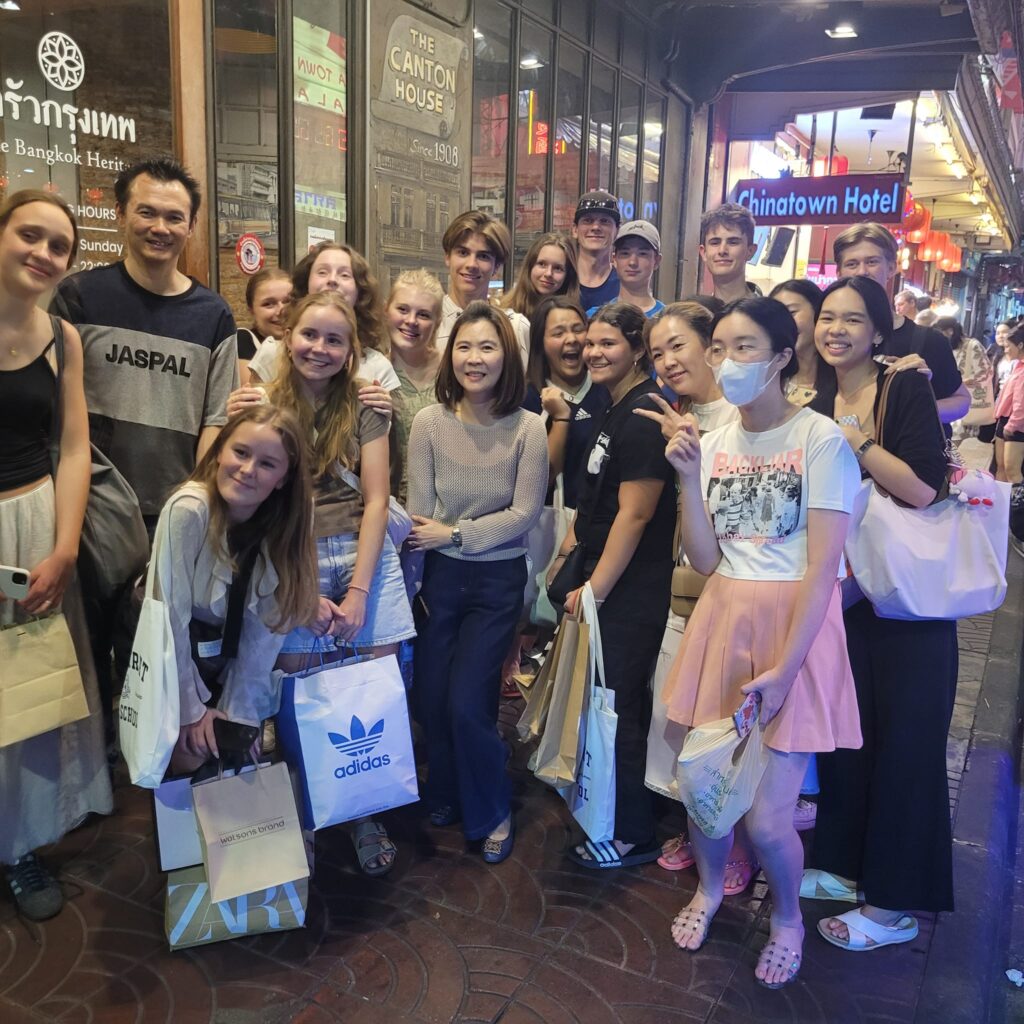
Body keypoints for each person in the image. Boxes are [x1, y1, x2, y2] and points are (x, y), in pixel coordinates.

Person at [660, 295, 861, 989]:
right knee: (707, 791)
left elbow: (823, 569)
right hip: (723, 615)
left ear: (781, 357)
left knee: (773, 820)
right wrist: (687, 476)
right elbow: (705, 560)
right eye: (718, 347)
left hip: (792, 630)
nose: (725, 361)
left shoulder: (820, 440)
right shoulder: (712, 441)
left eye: (744, 348)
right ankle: (712, 890)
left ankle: (785, 918)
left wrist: (785, 668)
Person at [805, 276, 955, 954]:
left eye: (852, 319)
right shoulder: (815, 395)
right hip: (848, 595)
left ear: (877, 331)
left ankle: (894, 903)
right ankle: (843, 866)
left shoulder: (904, 387)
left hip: (909, 605)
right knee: (847, 739)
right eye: (827, 317)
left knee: (906, 750)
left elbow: (924, 487)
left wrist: (856, 442)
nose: (836, 329)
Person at [269, 291, 417, 875]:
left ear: (352, 350)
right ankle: (306, 811)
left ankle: (360, 811)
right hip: (290, 558)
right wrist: (298, 590)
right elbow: (257, 508)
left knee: (372, 693)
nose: (320, 348)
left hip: (362, 553)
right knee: (299, 698)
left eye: (335, 339)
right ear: (287, 337)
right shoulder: (265, 405)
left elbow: (378, 498)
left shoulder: (364, 404)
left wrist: (357, 591)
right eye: (310, 335)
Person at [0, 190, 113, 920]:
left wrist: (66, 545)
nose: (42, 253)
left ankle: (20, 845)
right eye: (28, 235)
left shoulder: (63, 339)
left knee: (27, 701)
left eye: (59, 246)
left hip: (34, 528)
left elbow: (75, 447)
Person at [406, 302, 547, 864]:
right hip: (437, 577)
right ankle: (444, 789)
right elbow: (418, 513)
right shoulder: (428, 423)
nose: (474, 358)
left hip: (495, 581)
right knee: (433, 697)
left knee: (470, 703)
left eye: (487, 347)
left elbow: (525, 513)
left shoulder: (529, 427)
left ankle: (491, 809)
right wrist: (438, 543)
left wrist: (457, 534)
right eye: (464, 346)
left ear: (506, 356)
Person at [552, 302, 677, 871]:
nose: (593, 352)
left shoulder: (647, 412)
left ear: (636, 347)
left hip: (628, 587)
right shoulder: (614, 404)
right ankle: (611, 814)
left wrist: (596, 593)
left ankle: (634, 832)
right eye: (589, 342)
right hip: (607, 577)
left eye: (608, 343)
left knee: (620, 706)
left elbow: (635, 515)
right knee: (606, 702)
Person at [52, 157, 238, 527]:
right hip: (92, 507)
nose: (160, 228)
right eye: (146, 213)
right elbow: (54, 409)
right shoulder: (79, 297)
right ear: (120, 214)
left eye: (174, 217)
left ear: (192, 225)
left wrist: (196, 502)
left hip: (177, 511)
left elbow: (215, 421)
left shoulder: (214, 315)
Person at [152, 406, 318, 774]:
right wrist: (192, 712)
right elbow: (168, 621)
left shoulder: (291, 518)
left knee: (238, 747)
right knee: (192, 750)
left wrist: (238, 714)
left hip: (229, 657)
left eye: (267, 464)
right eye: (240, 453)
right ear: (220, 451)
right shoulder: (188, 509)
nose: (247, 470)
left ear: (283, 478)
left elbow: (268, 629)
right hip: (177, 657)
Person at [832, 222, 969, 428]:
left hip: (906, 455)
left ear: (891, 268)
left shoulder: (928, 340)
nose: (862, 272)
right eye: (851, 264)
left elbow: (961, 401)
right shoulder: (828, 338)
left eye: (872, 262)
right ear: (839, 272)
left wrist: (916, 408)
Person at [246, 243, 400, 393]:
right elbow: (253, 414)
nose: (332, 280)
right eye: (322, 272)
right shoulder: (272, 354)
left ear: (360, 291)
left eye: (344, 274)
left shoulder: (378, 367)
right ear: (306, 283)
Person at [523, 296, 609, 509]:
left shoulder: (607, 388)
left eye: (578, 329)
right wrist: (560, 419)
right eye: (558, 333)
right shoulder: (528, 399)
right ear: (540, 343)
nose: (571, 339)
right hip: (553, 524)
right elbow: (540, 482)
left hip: (603, 520)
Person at [436, 210, 529, 364]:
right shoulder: (426, 323)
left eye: (483, 256)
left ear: (496, 266)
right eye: (463, 252)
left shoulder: (514, 327)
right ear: (447, 257)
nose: (471, 264)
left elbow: (519, 386)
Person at [385, 269, 444, 505]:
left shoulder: (453, 372)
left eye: (423, 314)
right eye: (402, 309)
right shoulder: (371, 372)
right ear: (386, 310)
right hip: (390, 509)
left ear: (437, 322)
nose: (411, 321)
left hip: (444, 509)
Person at [586, 221, 664, 319]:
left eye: (642, 254)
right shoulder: (594, 317)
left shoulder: (667, 320)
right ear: (614, 259)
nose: (632, 262)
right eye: (625, 253)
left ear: (656, 260)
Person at [933, 316, 993, 442]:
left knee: (963, 444)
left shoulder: (972, 345)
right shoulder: (944, 347)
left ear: (950, 331)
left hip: (968, 403)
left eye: (940, 332)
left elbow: (986, 371)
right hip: (949, 404)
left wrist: (963, 383)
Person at [769, 279, 824, 407]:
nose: (784, 323)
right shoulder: (769, 381)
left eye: (791, 312)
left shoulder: (843, 380)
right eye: (776, 317)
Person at [502, 232, 579, 320]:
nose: (548, 273)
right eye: (542, 264)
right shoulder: (505, 314)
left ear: (568, 275)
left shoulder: (575, 319)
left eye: (558, 268)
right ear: (530, 267)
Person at [237, 267, 292, 385]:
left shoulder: (305, 344)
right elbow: (256, 396)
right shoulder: (243, 340)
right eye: (268, 304)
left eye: (287, 301)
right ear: (251, 310)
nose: (281, 311)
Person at [698, 203, 760, 303]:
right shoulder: (697, 316)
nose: (722, 251)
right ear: (703, 252)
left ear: (751, 251)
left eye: (733, 242)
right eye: (715, 243)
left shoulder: (770, 314)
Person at [573, 190, 621, 310]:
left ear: (617, 231)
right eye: (588, 221)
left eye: (604, 221)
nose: (595, 227)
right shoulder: (559, 278)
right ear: (575, 230)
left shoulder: (624, 286)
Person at [993, 323, 1024, 493]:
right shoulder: (1018, 365)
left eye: (1007, 346)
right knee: (1002, 467)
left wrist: (1012, 426)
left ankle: (1017, 511)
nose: (1005, 350)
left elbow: (1021, 404)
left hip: (1016, 425)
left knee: (1012, 471)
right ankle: (1001, 507)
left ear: (1020, 345)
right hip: (1005, 421)